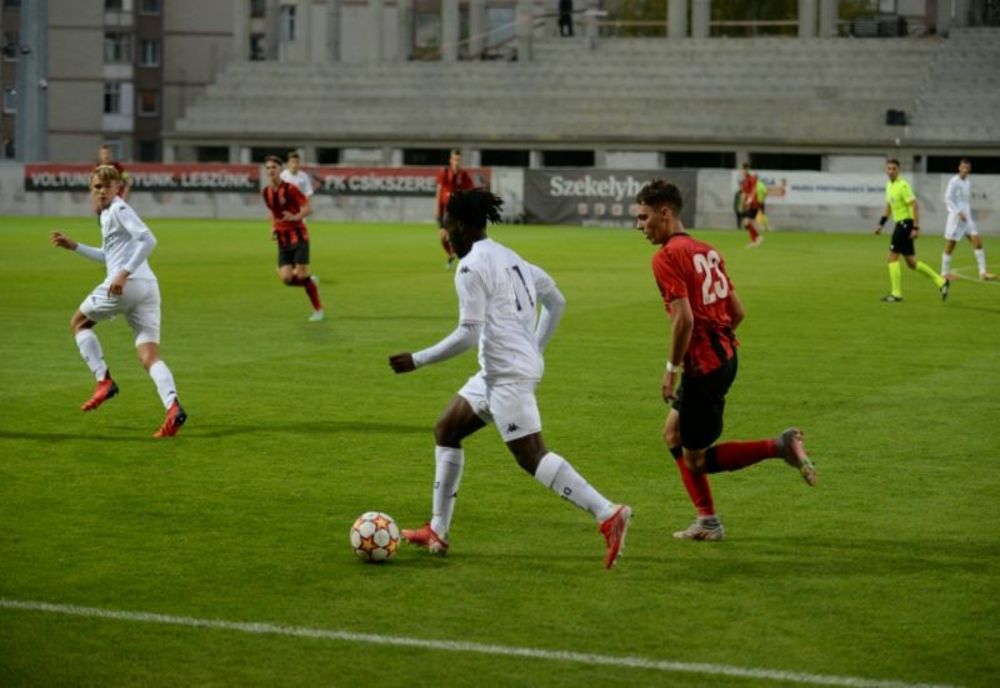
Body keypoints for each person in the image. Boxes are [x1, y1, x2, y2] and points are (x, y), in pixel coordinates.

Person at [389, 188, 631, 569]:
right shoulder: (512, 258)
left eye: (448, 224)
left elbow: (468, 334)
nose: (446, 231)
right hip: (499, 371)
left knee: (532, 457)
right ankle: (437, 530)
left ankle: (607, 513)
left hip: (507, 375)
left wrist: (416, 360)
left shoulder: (469, 267)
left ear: (464, 226)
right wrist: (535, 346)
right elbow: (557, 302)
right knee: (446, 429)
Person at [634, 179, 816, 541]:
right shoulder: (707, 249)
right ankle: (707, 520)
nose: (639, 225)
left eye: (643, 217)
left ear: (665, 213)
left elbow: (683, 319)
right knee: (673, 433)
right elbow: (738, 311)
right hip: (725, 356)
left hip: (704, 367)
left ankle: (779, 447)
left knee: (697, 459)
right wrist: (713, 343)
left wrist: (672, 370)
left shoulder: (666, 257)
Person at [49, 165, 186, 438]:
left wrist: (123, 273)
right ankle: (173, 408)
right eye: (97, 187)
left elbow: (148, 239)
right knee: (149, 357)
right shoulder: (108, 214)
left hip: (127, 284)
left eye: (106, 187)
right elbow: (108, 255)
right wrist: (74, 246)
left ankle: (104, 380)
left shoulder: (119, 209)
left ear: (117, 189)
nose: (101, 192)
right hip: (147, 288)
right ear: (91, 189)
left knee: (78, 323)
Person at [875, 159, 950, 303]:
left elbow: (915, 206)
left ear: (898, 170)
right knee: (911, 262)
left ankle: (896, 294)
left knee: (891, 258)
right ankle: (941, 282)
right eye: (889, 168)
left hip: (905, 224)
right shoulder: (889, 186)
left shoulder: (903, 185)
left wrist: (916, 227)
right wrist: (880, 224)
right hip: (901, 224)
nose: (890, 171)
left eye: (893, 169)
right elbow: (888, 208)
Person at [262, 155, 324, 321]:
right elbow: (272, 213)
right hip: (283, 239)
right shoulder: (266, 192)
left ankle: (318, 310)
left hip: (299, 236)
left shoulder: (290, 189)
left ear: (280, 170)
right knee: (286, 279)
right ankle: (311, 282)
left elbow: (308, 209)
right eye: (268, 168)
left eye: (273, 167)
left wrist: (295, 216)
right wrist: (273, 228)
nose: (270, 171)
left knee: (302, 276)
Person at [941, 158, 995, 281]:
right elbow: (948, 198)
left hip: (967, 218)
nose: (965, 169)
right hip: (956, 218)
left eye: (967, 168)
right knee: (951, 244)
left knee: (978, 242)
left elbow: (965, 201)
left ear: (969, 169)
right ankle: (944, 273)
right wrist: (958, 212)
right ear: (959, 168)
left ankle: (983, 273)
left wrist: (967, 213)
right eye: (963, 167)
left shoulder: (968, 182)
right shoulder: (954, 181)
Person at [434, 150, 475, 269]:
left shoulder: (464, 175)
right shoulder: (444, 173)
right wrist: (436, 207)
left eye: (458, 160)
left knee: (461, 236)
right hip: (444, 210)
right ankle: (451, 254)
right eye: (454, 159)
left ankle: (467, 261)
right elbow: (439, 191)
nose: (456, 162)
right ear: (450, 160)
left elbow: (470, 191)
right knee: (442, 236)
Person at [739, 163, 763, 247]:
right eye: (742, 170)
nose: (742, 171)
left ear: (747, 169)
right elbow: (744, 193)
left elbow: (753, 191)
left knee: (747, 222)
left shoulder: (751, 179)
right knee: (747, 223)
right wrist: (742, 204)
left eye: (744, 169)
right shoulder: (744, 181)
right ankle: (756, 239)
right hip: (748, 204)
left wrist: (749, 201)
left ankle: (757, 238)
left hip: (754, 204)